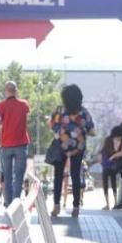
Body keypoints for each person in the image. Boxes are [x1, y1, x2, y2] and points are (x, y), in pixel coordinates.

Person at [50, 84, 95, 218]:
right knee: (75, 176)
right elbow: (92, 131)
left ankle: (56, 206)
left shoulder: (59, 111)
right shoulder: (84, 112)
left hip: (61, 146)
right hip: (78, 148)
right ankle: (76, 207)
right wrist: (79, 132)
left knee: (58, 176)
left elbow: (53, 126)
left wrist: (63, 133)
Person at [0, 81, 30, 207]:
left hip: (6, 144)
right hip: (21, 143)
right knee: (18, 175)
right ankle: (16, 202)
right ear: (16, 90)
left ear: (5, 91)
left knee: (7, 176)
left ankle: (8, 203)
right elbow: (25, 120)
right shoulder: (24, 105)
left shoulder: (0, 107)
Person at [100, 134, 119, 210]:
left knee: (105, 186)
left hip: (105, 169)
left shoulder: (103, 151)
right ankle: (115, 203)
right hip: (112, 169)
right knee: (114, 184)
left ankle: (107, 204)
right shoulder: (114, 150)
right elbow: (116, 159)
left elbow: (100, 160)